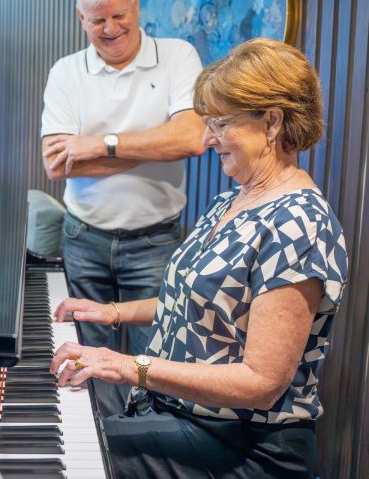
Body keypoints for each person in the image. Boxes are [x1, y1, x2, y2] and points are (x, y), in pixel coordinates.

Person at [50, 38, 348, 478]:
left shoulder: (298, 224)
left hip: (241, 444)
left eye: (220, 123)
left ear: (271, 122)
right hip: (184, 418)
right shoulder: (234, 198)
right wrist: (110, 312)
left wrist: (128, 366)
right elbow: (200, 304)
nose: (208, 139)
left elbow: (262, 384)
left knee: (73, 458)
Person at [41, 0, 205, 354]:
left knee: (155, 358)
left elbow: (193, 138)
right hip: (84, 239)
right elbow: (57, 165)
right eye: (98, 19)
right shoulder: (66, 72)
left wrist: (100, 145)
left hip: (155, 240)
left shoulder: (178, 57)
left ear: (136, 6)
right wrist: (155, 144)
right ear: (81, 18)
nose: (110, 28)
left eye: (119, 15)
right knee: (87, 355)